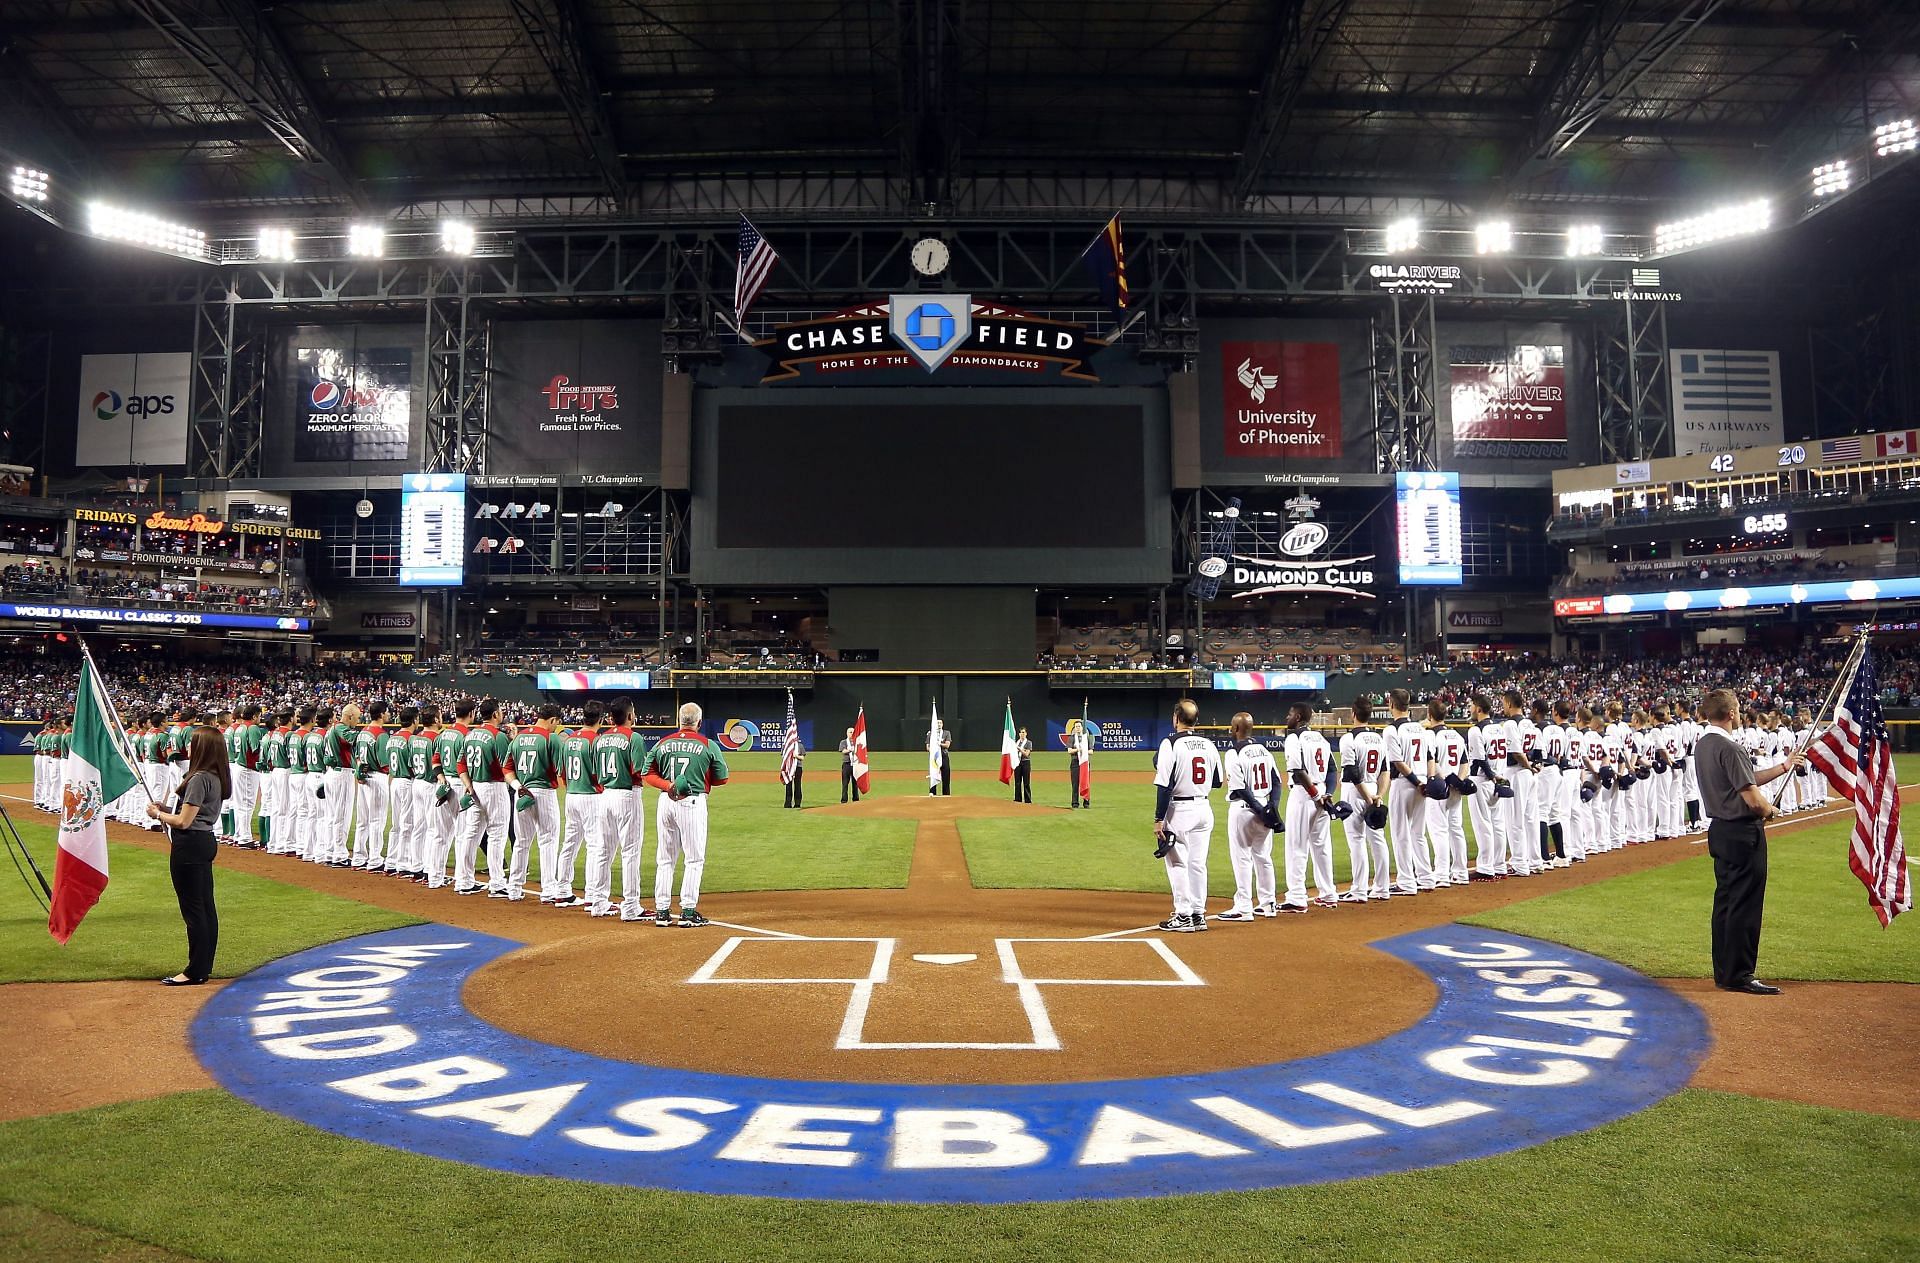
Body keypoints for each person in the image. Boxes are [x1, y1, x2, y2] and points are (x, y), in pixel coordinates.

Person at [1694, 688, 1804, 995]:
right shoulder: (1731, 748)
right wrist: (1770, 809)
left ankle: (1724, 971)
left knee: (1726, 902)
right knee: (1745, 904)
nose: (1741, 714)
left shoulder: (1704, 744)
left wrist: (1783, 767)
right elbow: (1752, 798)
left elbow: (1745, 778)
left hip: (1720, 830)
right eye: (1738, 709)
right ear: (1730, 714)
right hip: (1743, 832)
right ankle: (1740, 974)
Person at [146, 725, 230, 986]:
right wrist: (167, 808)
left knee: (193, 909)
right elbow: (194, 813)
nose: (189, 747)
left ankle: (194, 970)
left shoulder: (198, 778)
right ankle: (203, 966)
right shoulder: (215, 776)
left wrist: (158, 815)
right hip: (204, 840)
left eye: (193, 743)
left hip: (190, 844)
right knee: (205, 906)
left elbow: (183, 821)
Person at [643, 701, 729, 927]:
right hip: (692, 801)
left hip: (666, 800)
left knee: (665, 859)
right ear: (699, 723)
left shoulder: (662, 743)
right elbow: (722, 778)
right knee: (694, 859)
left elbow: (647, 773)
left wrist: (668, 785)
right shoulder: (708, 744)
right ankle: (688, 912)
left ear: (679, 721)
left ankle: (661, 911)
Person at [1151, 699, 1220, 932]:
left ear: (1176, 718)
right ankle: (1198, 914)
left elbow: (1164, 785)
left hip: (1180, 810)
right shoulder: (1208, 744)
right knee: (1198, 864)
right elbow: (1218, 781)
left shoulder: (1170, 743)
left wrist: (1158, 819)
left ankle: (1182, 915)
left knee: (1178, 863)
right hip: (1203, 809)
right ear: (1196, 720)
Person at [1218, 711, 1278, 921]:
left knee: (1242, 858)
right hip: (1264, 805)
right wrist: (1271, 807)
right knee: (1263, 857)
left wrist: (1259, 809)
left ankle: (1243, 907)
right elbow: (1277, 782)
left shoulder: (1234, 752)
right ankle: (1268, 904)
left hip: (1244, 810)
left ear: (1235, 729)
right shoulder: (1263, 750)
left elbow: (1240, 788)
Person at [1281, 703, 1340, 911]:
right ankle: (1329, 893)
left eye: (1289, 714)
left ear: (1297, 717)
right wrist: (1327, 794)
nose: (1286, 717)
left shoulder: (1293, 738)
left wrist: (1315, 795)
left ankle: (1296, 897)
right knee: (1321, 846)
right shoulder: (1321, 739)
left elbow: (1297, 770)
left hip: (1304, 794)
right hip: (1322, 792)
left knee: (1297, 845)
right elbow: (1333, 770)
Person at [1338, 697, 1390, 901]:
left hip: (1355, 791)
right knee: (1378, 839)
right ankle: (1382, 888)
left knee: (1357, 840)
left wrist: (1367, 798)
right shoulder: (1379, 739)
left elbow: (1351, 772)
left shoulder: (1349, 739)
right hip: (1374, 788)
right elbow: (1385, 771)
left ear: (1353, 714)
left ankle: (1359, 890)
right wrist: (1379, 795)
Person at [512, 704, 564, 903]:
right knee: (548, 840)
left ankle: (514, 888)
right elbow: (561, 769)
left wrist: (518, 786)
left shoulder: (518, 738)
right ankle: (549, 889)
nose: (556, 727)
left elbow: (507, 768)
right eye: (556, 723)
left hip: (522, 791)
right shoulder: (551, 738)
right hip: (544, 792)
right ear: (552, 720)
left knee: (522, 841)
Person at [839, 727, 861, 803]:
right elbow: (843, 751)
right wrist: (850, 750)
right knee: (845, 783)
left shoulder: (857, 742)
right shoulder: (843, 742)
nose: (851, 734)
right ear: (847, 733)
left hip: (855, 764)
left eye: (853, 732)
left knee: (855, 783)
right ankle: (844, 800)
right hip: (847, 764)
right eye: (850, 732)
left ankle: (856, 799)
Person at [783, 735, 804, 808]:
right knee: (788, 785)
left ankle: (797, 803)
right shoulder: (786, 746)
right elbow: (783, 757)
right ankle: (788, 803)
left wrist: (796, 756)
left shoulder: (800, 746)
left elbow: (802, 757)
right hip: (789, 767)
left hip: (798, 767)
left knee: (797, 785)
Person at [1012, 727, 1033, 803]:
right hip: (1017, 762)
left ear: (1026, 733)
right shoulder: (1016, 742)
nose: (1022, 734)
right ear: (1019, 734)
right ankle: (1017, 798)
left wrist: (1020, 749)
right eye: (1021, 732)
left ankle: (1028, 800)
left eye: (1023, 732)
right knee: (1017, 782)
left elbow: (1027, 754)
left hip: (1025, 762)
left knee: (1026, 782)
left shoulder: (1028, 743)